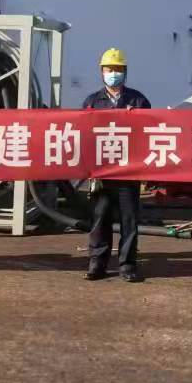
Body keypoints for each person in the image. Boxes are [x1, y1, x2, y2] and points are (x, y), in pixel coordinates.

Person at [81, 47, 153, 282]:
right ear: (101, 72)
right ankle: (97, 263)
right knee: (99, 219)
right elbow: (84, 135)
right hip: (101, 173)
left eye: (118, 69)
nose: (113, 73)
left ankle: (127, 265)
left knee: (129, 220)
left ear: (125, 71)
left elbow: (149, 132)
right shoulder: (92, 101)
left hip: (128, 172)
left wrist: (137, 116)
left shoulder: (138, 100)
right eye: (109, 69)